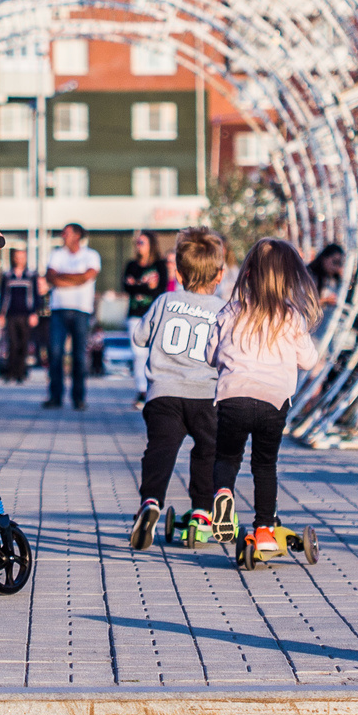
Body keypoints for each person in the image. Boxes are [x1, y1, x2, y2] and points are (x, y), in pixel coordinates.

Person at [208, 237, 329, 560]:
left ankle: (222, 495)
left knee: (227, 458)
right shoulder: (291, 316)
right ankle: (264, 530)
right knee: (264, 465)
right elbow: (308, 359)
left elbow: (210, 353)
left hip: (233, 396)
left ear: (247, 274)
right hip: (273, 401)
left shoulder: (232, 310)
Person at [127, 227, 230, 550]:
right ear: (219, 274)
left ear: (179, 272)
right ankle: (201, 511)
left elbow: (139, 338)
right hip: (205, 395)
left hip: (163, 393)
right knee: (207, 453)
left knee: (160, 450)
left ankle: (151, 503)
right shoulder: (223, 309)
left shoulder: (165, 300)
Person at [43, 221, 101, 410]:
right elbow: (50, 277)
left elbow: (87, 276)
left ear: (77, 235)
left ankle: (78, 398)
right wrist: (76, 278)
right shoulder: (57, 254)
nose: (63, 236)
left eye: (66, 233)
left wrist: (63, 278)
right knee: (55, 353)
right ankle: (55, 396)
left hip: (81, 311)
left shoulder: (91, 255)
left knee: (79, 356)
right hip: (58, 309)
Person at [123, 230, 167, 409]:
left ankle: (154, 390)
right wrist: (145, 286)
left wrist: (138, 285)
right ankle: (141, 390)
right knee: (137, 354)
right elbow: (126, 286)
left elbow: (160, 289)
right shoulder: (132, 265)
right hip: (135, 314)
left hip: (154, 314)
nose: (138, 246)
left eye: (142, 242)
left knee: (154, 354)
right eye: (137, 243)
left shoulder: (160, 265)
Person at [0, 246, 39, 383]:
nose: (20, 259)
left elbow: (35, 295)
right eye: (17, 257)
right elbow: (3, 295)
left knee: (24, 344)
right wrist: (1, 313)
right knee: (12, 344)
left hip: (26, 314)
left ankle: (21, 373)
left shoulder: (31, 276)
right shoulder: (8, 275)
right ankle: (11, 372)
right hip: (11, 314)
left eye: (22, 257)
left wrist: (34, 313)